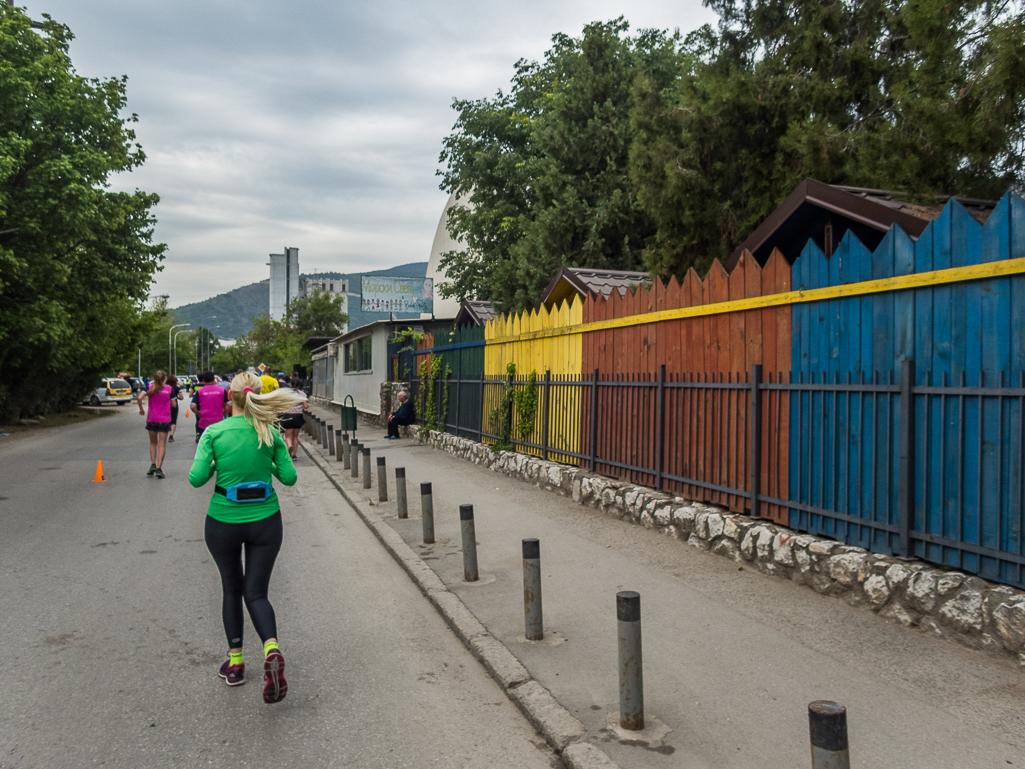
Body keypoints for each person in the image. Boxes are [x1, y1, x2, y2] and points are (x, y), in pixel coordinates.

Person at [188, 372, 302, 704]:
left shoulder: (214, 432)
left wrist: (213, 466)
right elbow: (290, 478)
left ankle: (236, 664)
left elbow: (196, 479)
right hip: (266, 522)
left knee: (231, 588)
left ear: (230, 399)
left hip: (223, 521)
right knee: (256, 592)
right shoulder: (270, 433)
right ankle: (271, 648)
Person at [137, 370, 172, 478]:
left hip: (152, 419)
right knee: (162, 444)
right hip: (164, 419)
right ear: (164, 378)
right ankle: (159, 468)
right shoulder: (169, 389)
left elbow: (139, 398)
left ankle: (152, 464)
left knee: (153, 443)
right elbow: (174, 403)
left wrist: (141, 409)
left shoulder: (149, 387)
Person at [191, 370, 231, 443]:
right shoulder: (222, 390)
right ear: (214, 379)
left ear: (203, 380)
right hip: (218, 421)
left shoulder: (199, 391)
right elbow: (229, 404)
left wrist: (198, 413)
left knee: (205, 443)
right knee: (218, 442)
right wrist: (224, 412)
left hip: (204, 422)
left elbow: (192, 406)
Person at [279, 376, 308, 460]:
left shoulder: (286, 394)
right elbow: (305, 406)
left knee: (288, 437)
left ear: (290, 384)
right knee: (295, 436)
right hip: (298, 416)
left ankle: (289, 446)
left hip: (288, 416)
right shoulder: (302, 394)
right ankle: (294, 455)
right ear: (298, 385)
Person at [166, 375, 184, 443]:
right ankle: (171, 436)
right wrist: (178, 398)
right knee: (173, 421)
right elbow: (181, 397)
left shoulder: (165, 388)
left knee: (166, 420)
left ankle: (163, 434)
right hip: (174, 405)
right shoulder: (177, 388)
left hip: (165, 406)